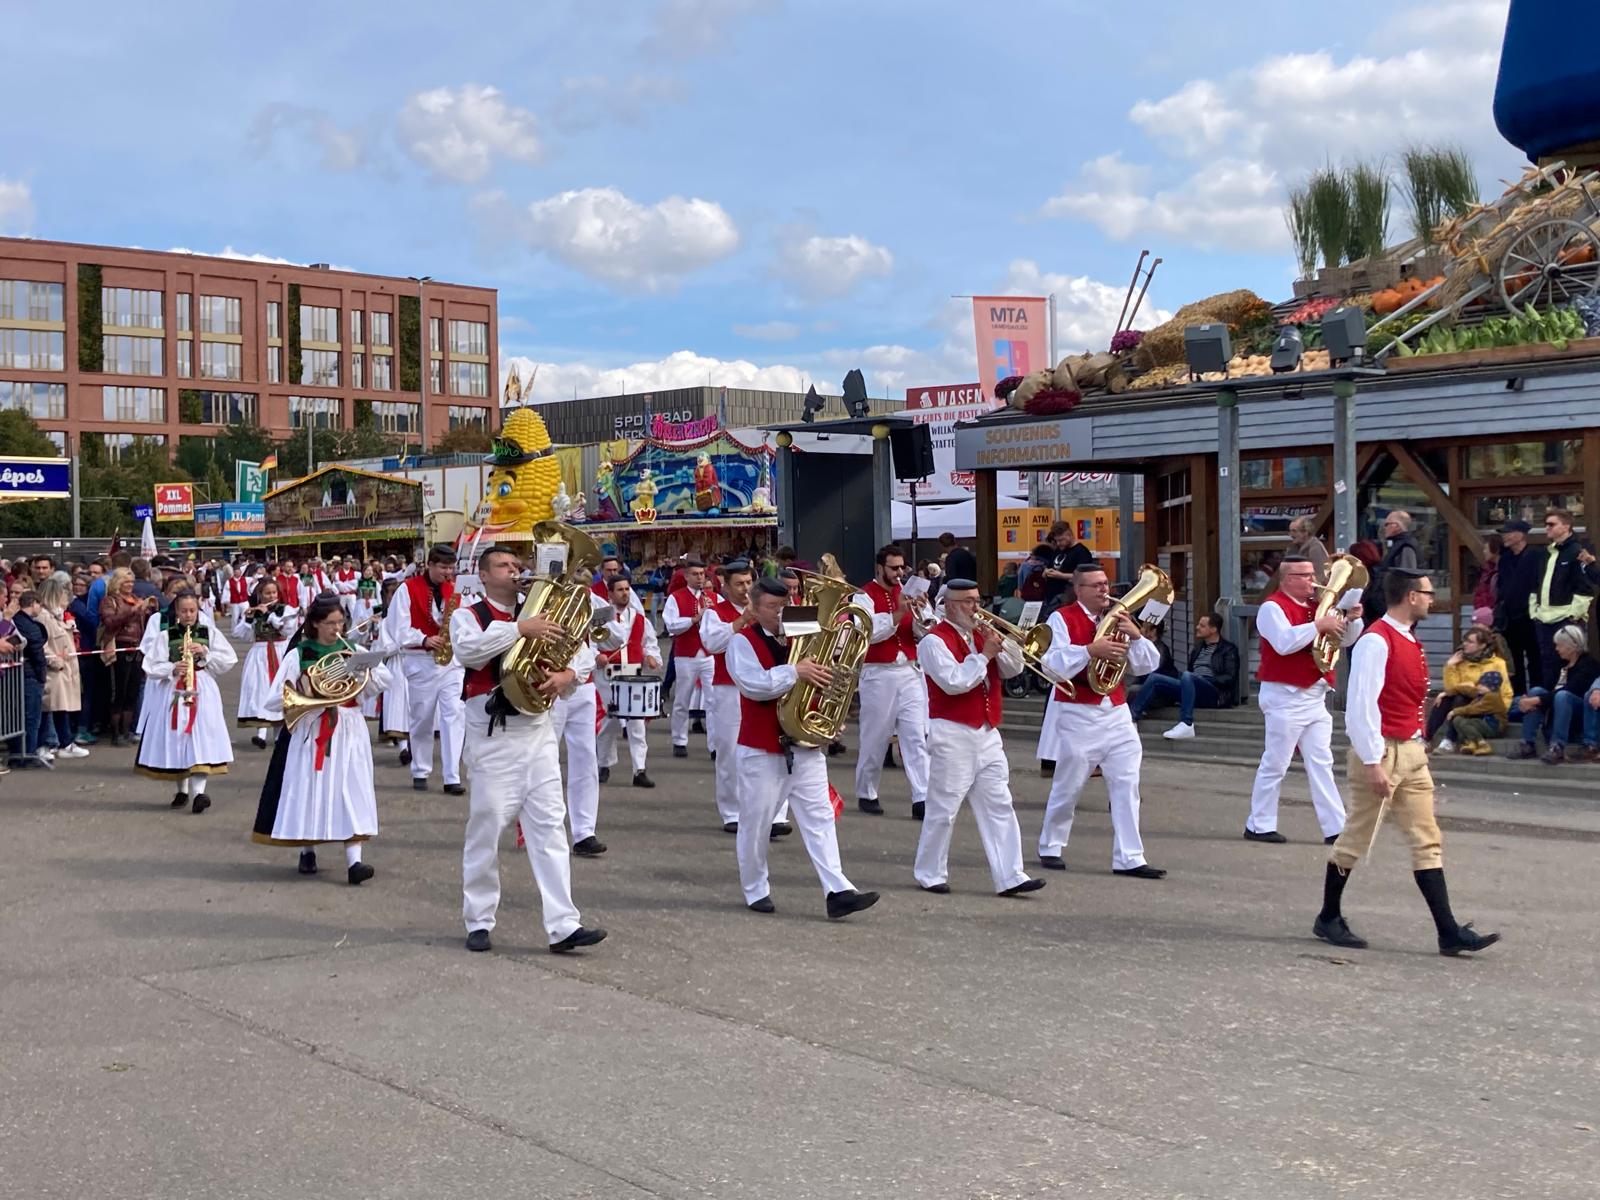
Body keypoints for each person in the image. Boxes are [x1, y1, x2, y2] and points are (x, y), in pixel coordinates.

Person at [1314, 569, 1500, 957]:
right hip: (1381, 750)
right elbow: (1361, 707)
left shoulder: (1407, 639)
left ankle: (1448, 931)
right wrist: (1371, 761)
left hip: (1411, 751)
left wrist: (1419, 745)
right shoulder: (1376, 642)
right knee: (1356, 838)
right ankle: (1328, 915)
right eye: (1428, 593)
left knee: (1426, 839)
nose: (1433, 599)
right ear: (1411, 596)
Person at [451, 545, 607, 955]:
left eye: (517, 565)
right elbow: (468, 651)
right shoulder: (468, 615)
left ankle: (563, 925)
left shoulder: (539, 610)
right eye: (503, 565)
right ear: (483, 575)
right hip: (492, 733)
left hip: (537, 728)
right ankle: (479, 919)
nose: (514, 570)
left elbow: (584, 648)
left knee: (551, 826)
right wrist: (521, 629)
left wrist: (568, 674)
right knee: (486, 826)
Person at [728, 577, 879, 919]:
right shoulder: (742, 642)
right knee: (757, 824)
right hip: (762, 749)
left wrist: (830, 712)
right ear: (754, 607)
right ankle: (755, 889)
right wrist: (794, 671)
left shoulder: (804, 629)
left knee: (820, 818)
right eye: (772, 607)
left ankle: (837, 890)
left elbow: (828, 675)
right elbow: (754, 686)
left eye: (785, 606)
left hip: (806, 746)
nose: (780, 613)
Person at [913, 579, 1043, 898]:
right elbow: (954, 682)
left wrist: (1007, 643)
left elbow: (1012, 670)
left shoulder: (979, 636)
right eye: (970, 602)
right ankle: (930, 872)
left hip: (987, 731)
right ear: (951, 605)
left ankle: (1010, 875)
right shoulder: (933, 642)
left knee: (1000, 802)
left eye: (977, 600)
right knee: (944, 808)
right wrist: (983, 656)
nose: (977, 608)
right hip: (951, 731)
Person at [1036, 564, 1166, 878]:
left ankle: (1130, 857)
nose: (1103, 590)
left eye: (1105, 584)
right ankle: (1050, 845)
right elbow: (1050, 663)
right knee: (1069, 784)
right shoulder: (1061, 618)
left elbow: (1148, 665)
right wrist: (1090, 650)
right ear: (1078, 589)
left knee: (1127, 785)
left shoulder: (1121, 619)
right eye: (1095, 585)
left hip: (1117, 711)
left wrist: (1136, 638)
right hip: (1079, 711)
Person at [251, 595, 390, 883]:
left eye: (340, 622)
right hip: (311, 728)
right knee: (309, 789)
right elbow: (273, 700)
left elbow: (383, 680)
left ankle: (355, 862)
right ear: (315, 624)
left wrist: (366, 668)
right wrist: (306, 687)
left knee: (351, 789)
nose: (336, 628)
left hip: (349, 727)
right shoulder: (298, 654)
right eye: (330, 623)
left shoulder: (352, 649)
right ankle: (307, 850)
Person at [1245, 555, 1361, 844]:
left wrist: (1353, 620)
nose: (1314, 580)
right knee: (1276, 763)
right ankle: (1259, 824)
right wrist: (1318, 625)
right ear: (1287, 579)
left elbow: (1344, 641)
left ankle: (1336, 828)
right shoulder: (1272, 607)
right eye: (1306, 575)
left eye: (1312, 574)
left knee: (1322, 762)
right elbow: (1284, 643)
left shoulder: (1316, 608)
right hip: (1285, 695)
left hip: (1315, 696)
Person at [135, 590, 237, 812]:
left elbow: (229, 659)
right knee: (178, 737)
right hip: (174, 690)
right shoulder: (166, 635)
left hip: (202, 688)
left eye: (192, 610)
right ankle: (181, 789)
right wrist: (172, 668)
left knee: (201, 736)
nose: (189, 615)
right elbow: (150, 666)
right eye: (184, 611)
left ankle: (199, 792)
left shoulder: (208, 632)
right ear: (177, 612)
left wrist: (206, 653)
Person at [851, 544, 933, 820]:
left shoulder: (909, 592)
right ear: (879, 568)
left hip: (910, 671)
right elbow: (866, 634)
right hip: (878, 673)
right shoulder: (863, 596)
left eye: (902, 567)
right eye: (894, 568)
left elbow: (924, 631)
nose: (900, 573)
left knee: (915, 736)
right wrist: (898, 614)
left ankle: (922, 796)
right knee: (875, 737)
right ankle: (867, 791)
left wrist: (923, 616)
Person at [381, 543, 466, 794]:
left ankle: (452, 776)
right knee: (422, 718)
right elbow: (397, 627)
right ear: (429, 565)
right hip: (420, 661)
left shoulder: (457, 589)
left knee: (454, 716)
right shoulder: (407, 589)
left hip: (451, 663)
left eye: (451, 568)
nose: (448, 573)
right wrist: (423, 639)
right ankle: (420, 769)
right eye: (442, 567)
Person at [698, 560, 774, 834]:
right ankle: (731, 811)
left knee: (769, 748)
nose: (746, 589)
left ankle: (772, 813)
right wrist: (743, 619)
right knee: (729, 750)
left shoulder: (768, 609)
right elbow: (712, 643)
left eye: (749, 582)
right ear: (725, 586)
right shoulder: (714, 612)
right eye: (739, 584)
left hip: (765, 687)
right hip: (728, 688)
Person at [594, 574, 660, 787]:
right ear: (610, 594)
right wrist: (597, 656)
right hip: (607, 675)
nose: (625, 593)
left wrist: (651, 657)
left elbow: (649, 642)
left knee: (636, 722)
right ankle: (603, 764)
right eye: (620, 590)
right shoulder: (601, 617)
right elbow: (589, 640)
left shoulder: (640, 618)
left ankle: (639, 770)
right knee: (609, 721)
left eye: (627, 589)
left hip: (633, 674)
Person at [1128, 611, 1238, 738]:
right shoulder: (1198, 649)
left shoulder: (1228, 649)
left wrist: (1204, 679)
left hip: (1215, 694)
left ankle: (1187, 723)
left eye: (1202, 626)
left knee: (1187, 675)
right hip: (1192, 688)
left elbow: (1229, 678)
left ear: (1213, 629)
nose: (1197, 627)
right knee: (1155, 678)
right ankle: (1132, 719)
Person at [551, 605, 605, 858]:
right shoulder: (539, 595)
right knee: (546, 759)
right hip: (549, 682)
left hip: (583, 684)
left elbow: (610, 638)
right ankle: (545, 827)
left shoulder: (590, 599)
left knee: (586, 758)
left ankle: (585, 832)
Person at [1505, 623, 1600, 763]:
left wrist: (1536, 700)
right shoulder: (1559, 664)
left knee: (1562, 696)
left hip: (1576, 713)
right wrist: (1532, 699)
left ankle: (1557, 746)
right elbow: (1548, 689)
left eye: (1560, 645)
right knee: (1536, 691)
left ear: (1573, 646)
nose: (1556, 649)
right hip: (1555, 708)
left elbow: (1571, 690)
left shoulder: (1588, 665)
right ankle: (1527, 743)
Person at [1529, 507, 1600, 690]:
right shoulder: (1546, 552)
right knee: (1546, 664)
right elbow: (1536, 584)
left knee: (1569, 664)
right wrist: (1534, 612)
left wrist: (1572, 616)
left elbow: (1585, 588)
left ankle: (1566, 708)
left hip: (1565, 620)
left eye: (1552, 524)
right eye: (1545, 525)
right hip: (1543, 618)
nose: (1547, 528)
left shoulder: (1578, 551)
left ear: (1566, 526)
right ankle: (1547, 709)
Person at [662, 554, 716, 758]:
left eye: (702, 574)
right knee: (683, 699)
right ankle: (679, 740)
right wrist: (694, 619)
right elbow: (671, 625)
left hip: (709, 654)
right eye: (695, 574)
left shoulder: (712, 597)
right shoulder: (676, 598)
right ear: (686, 576)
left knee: (713, 701)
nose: (700, 578)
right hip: (686, 654)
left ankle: (714, 745)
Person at [234, 578, 298, 749]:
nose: (271, 596)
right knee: (260, 690)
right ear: (260, 595)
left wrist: (269, 615)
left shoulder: (286, 610)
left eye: (274, 593)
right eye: (267, 593)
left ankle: (278, 737)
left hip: (280, 650)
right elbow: (242, 635)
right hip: (260, 653)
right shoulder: (254, 611)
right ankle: (260, 734)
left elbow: (288, 629)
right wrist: (248, 619)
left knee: (279, 691)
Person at [1431, 625, 1512, 756]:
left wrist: (1499, 710)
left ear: (1482, 645)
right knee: (1446, 699)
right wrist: (1450, 666)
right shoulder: (1460, 661)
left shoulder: (1497, 663)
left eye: (1470, 642)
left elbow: (1505, 692)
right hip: (1466, 701)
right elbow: (1451, 688)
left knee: (1459, 699)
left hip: (1486, 708)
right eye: (1464, 641)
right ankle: (1427, 738)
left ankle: (1450, 739)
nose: (1464, 645)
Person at [99, 568, 157, 747]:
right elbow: (109, 623)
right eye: (126, 581)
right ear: (117, 582)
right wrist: (133, 610)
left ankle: (127, 730)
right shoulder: (110, 601)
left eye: (131, 581)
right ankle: (116, 733)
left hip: (138, 647)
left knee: (133, 692)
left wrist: (150, 610)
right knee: (119, 692)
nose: (130, 585)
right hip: (120, 647)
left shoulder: (136, 598)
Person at [37, 575, 88, 759]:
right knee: (51, 708)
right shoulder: (43, 617)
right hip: (55, 670)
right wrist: (55, 662)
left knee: (60, 709)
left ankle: (63, 742)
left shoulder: (58, 616)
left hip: (65, 670)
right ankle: (52, 744)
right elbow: (42, 643)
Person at [1493, 520, 1543, 696]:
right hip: (1509, 617)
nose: (1504, 536)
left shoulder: (1536, 556)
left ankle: (1537, 696)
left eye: (1508, 532)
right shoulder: (1505, 559)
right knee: (1513, 659)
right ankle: (1517, 697)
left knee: (1535, 658)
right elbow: (1501, 587)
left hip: (1530, 616)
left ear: (1521, 535)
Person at [11, 593, 51, 768]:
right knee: (32, 717)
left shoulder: (16, 621)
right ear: (33, 603)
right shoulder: (30, 626)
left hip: (20, 674)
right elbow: (37, 652)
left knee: (18, 716)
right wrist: (42, 675)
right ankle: (28, 753)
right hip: (30, 675)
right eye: (39, 605)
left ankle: (18, 752)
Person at [1040, 520, 1094, 612]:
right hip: (1051, 598)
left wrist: (1060, 575)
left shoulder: (1082, 552)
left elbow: (1084, 577)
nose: (1058, 543)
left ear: (1069, 535)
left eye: (1061, 540)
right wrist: (1046, 572)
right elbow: (1049, 567)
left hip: (1067, 599)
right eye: (1056, 541)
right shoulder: (1058, 550)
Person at [1287, 515, 1330, 582]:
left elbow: (1320, 575)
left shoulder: (1315, 547)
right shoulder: (1294, 548)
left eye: (1294, 531)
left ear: (1305, 532)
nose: (1291, 535)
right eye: (1290, 531)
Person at [1471, 534, 1501, 628]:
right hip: (1483, 613)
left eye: (1486, 549)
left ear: (1495, 550)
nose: (1484, 552)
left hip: (1494, 615)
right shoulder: (1486, 570)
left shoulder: (1503, 571)